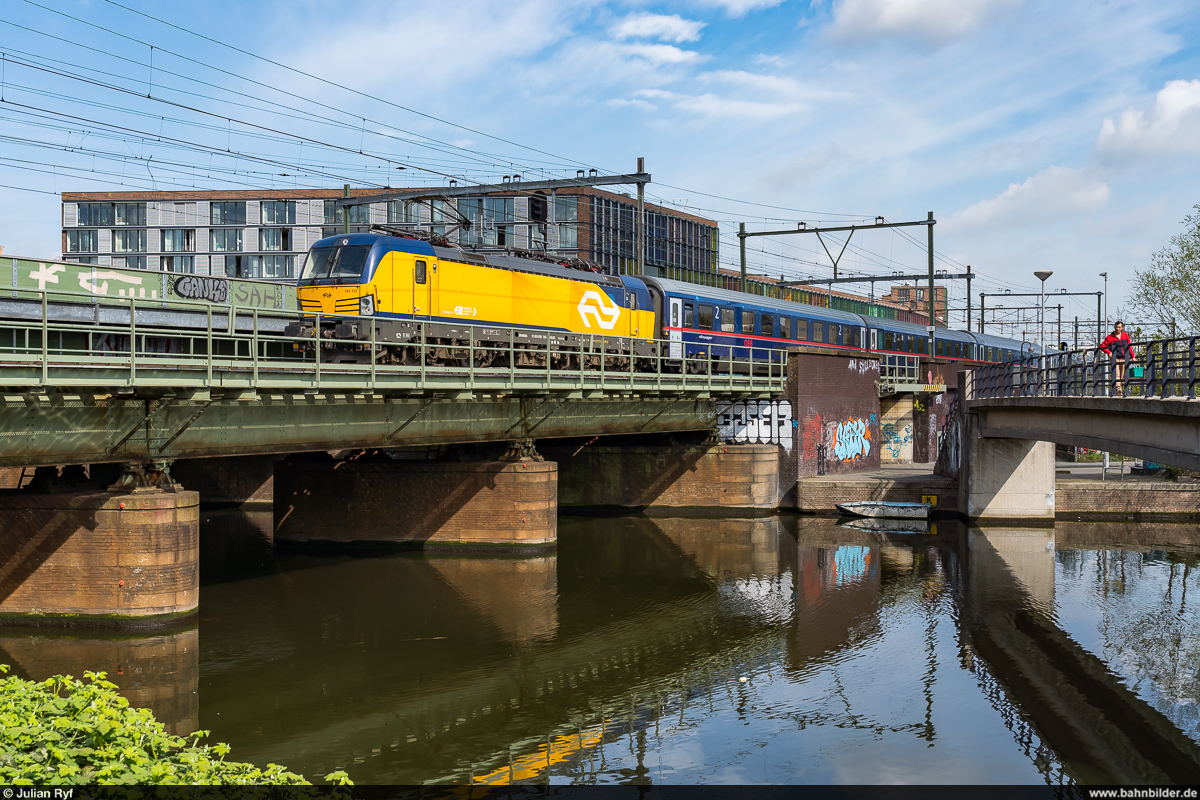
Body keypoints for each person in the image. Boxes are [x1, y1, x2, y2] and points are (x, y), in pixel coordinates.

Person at [1100, 321, 1134, 395]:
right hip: (1115, 358)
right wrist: (1109, 352)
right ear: (1114, 327)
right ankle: (1118, 389)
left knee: (1122, 375)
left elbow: (1129, 347)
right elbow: (1102, 346)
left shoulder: (1125, 335)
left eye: (1119, 327)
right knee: (1117, 374)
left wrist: (1133, 356)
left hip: (1124, 358)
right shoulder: (1110, 337)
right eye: (1116, 327)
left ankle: (1119, 389)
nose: (1117, 329)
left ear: (1122, 328)